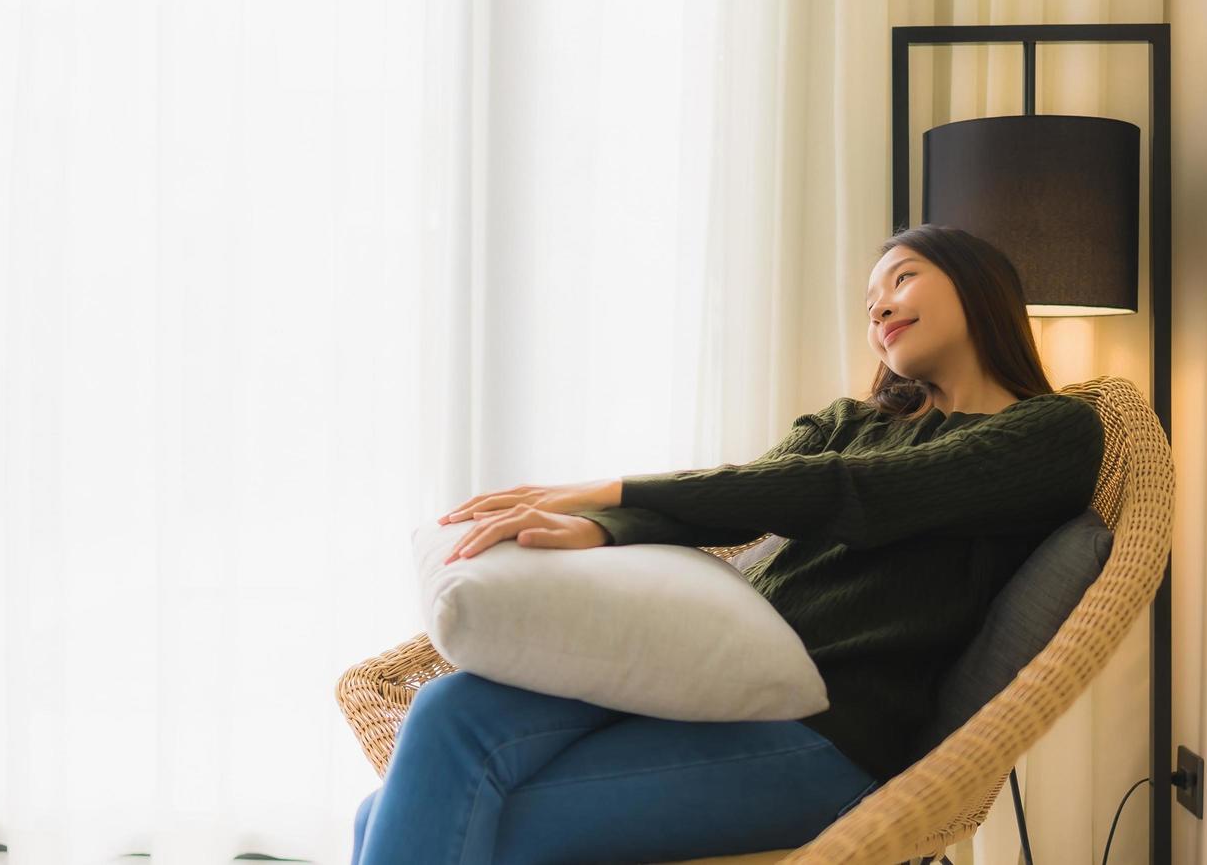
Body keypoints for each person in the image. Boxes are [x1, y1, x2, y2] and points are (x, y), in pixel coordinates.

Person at [352, 224, 1106, 864]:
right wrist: (602, 528)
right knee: (454, 712)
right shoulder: (849, 420)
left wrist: (610, 490)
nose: (878, 306)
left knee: (429, 828)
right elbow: (744, 496)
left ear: (981, 289)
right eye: (870, 300)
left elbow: (855, 494)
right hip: (711, 682)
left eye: (902, 279)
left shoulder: (1051, 432)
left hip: (827, 737)